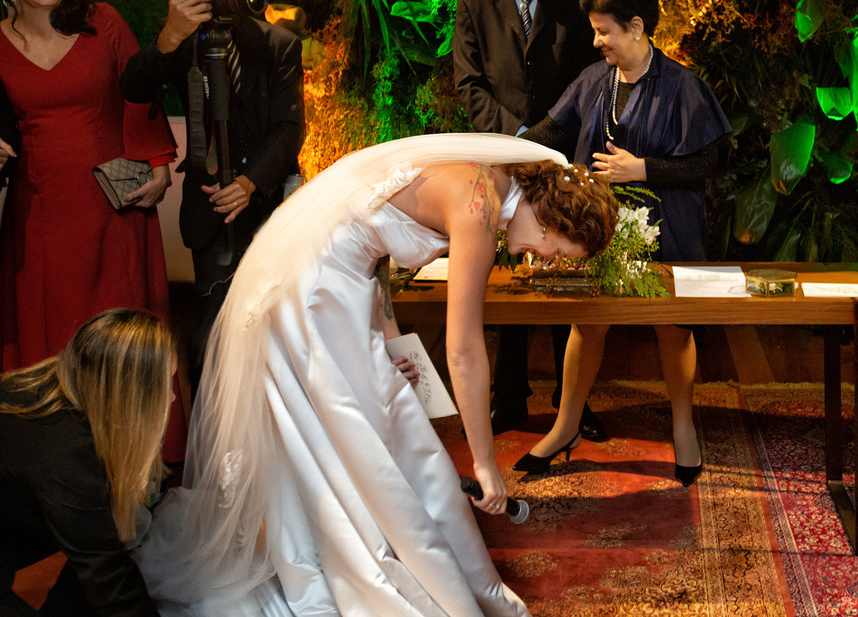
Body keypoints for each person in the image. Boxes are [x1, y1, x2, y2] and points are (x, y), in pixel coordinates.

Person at [133, 133, 618, 616]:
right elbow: (465, 350)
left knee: (387, 414)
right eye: (556, 249)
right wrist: (485, 462)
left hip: (344, 283)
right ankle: (364, 563)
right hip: (316, 290)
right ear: (553, 218)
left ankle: (412, 553)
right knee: (354, 429)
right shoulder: (478, 207)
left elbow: (375, 237)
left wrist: (388, 337)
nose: (543, 257)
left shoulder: (485, 180)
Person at [518, 0, 731, 486]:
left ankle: (683, 427)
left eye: (603, 31)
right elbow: (552, 131)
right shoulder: (595, 80)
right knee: (586, 324)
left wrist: (645, 171)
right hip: (597, 232)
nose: (597, 42)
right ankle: (566, 424)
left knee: (672, 327)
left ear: (636, 28)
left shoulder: (682, 85)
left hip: (670, 230)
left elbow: (715, 158)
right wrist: (505, 153)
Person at [0, 0, 186, 461]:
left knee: (120, 332)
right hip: (40, 211)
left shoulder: (100, 21)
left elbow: (138, 90)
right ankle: (61, 465)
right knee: (52, 333)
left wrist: (156, 161)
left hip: (114, 203)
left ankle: (138, 463)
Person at [121, 0, 305, 393]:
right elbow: (135, 89)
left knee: (275, 333)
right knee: (212, 337)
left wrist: (249, 183)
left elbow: (289, 128)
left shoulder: (278, 43)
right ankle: (212, 448)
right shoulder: (180, 41)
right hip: (208, 210)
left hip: (267, 203)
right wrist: (170, 34)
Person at [453, 0, 604, 439]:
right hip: (498, 160)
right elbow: (469, 84)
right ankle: (509, 396)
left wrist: (543, 139)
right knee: (508, 277)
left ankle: (573, 403)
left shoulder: (573, 6)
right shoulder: (475, 6)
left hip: (562, 157)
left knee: (569, 275)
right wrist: (514, 138)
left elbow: (589, 82)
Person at [1, 308, 176, 617]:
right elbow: (111, 583)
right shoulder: (68, 457)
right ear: (128, 395)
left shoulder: (65, 381)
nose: (172, 399)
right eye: (165, 387)